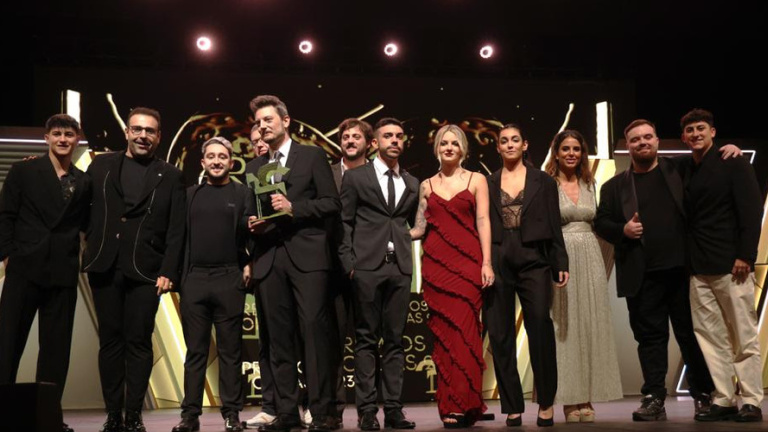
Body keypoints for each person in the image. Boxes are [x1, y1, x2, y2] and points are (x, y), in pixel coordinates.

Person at [593, 119, 716, 422]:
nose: (642, 142)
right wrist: (623, 229)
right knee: (650, 339)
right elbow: (601, 222)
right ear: (628, 146)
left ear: (657, 140)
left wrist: (729, 150)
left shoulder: (680, 169)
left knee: (692, 336)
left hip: (683, 271)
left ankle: (703, 395)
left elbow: (709, 165)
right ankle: (654, 398)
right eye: (635, 139)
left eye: (648, 136)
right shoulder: (614, 186)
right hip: (641, 274)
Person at [83, 107, 186, 432]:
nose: (143, 135)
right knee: (110, 342)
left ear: (159, 136)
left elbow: (177, 229)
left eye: (150, 131)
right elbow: (79, 202)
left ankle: (134, 415)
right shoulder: (101, 165)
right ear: (127, 132)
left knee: (139, 342)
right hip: (105, 263)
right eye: (137, 129)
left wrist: (169, 270)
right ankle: (114, 415)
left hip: (147, 270)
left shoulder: (170, 175)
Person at [246, 95, 341, 432]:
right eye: (258, 122)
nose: (262, 126)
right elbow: (252, 210)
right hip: (269, 258)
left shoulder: (311, 156)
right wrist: (251, 223)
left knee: (314, 334)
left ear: (286, 121)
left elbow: (331, 203)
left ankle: (322, 411)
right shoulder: (255, 167)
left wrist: (294, 208)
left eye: (268, 120)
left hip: (308, 257)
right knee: (278, 338)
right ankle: (286, 413)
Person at [0, 114, 91, 432]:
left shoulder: (84, 181)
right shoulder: (24, 170)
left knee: (56, 350)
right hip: (24, 268)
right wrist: (7, 254)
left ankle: (48, 417)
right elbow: (6, 214)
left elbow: (86, 224)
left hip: (62, 272)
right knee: (8, 344)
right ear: (47, 138)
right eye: (57, 133)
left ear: (77, 139)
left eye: (69, 134)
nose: (63, 139)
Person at [678, 109, 763, 422]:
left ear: (712, 132)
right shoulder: (685, 168)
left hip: (732, 265)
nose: (696, 134)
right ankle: (725, 398)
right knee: (710, 337)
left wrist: (746, 255)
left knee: (743, 335)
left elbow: (751, 211)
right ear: (684, 137)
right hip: (698, 268)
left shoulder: (733, 161)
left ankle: (752, 400)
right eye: (690, 130)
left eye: (701, 128)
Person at [483, 123, 568, 427]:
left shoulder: (543, 181)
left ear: (524, 145)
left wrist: (560, 260)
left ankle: (545, 401)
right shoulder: (488, 182)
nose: (509, 145)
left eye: (514, 140)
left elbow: (554, 222)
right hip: (498, 257)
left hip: (534, 258)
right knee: (500, 332)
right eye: (504, 141)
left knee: (540, 327)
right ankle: (512, 405)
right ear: (498, 147)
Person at [409, 124, 493, 428]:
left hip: (468, 265)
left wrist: (487, 263)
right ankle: (450, 405)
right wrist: (385, 233)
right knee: (444, 339)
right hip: (436, 268)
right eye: (443, 143)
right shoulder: (426, 185)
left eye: (454, 144)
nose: (449, 147)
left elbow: (483, 221)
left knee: (465, 335)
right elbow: (419, 228)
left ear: (463, 150)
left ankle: (466, 402)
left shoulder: (477, 180)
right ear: (437, 149)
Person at [339, 117, 419, 431]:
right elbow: (345, 222)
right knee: (366, 340)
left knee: (396, 340)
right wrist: (348, 262)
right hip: (366, 267)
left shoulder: (411, 182)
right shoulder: (356, 177)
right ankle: (367, 411)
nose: (394, 140)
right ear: (375, 142)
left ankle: (395, 410)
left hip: (399, 267)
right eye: (388, 136)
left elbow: (413, 223)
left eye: (399, 136)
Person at [172, 137, 257, 432]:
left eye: (222, 156)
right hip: (194, 279)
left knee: (231, 352)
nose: (217, 161)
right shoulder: (189, 195)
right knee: (195, 352)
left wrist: (250, 262)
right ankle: (190, 415)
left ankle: (232, 414)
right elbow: (177, 237)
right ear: (203, 162)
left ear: (231, 162)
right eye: (211, 156)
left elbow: (252, 233)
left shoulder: (243, 193)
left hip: (229, 277)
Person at [543, 130, 623, 423]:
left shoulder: (590, 182)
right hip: (561, 255)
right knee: (565, 326)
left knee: (590, 324)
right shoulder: (547, 184)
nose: (571, 153)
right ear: (556, 152)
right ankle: (569, 397)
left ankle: (587, 395)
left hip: (591, 255)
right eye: (565, 148)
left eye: (576, 149)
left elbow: (598, 221)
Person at [328, 118, 374, 426]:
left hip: (369, 268)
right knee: (332, 342)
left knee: (366, 341)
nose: (350, 140)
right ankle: (332, 410)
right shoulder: (327, 173)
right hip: (331, 269)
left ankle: (367, 410)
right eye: (345, 136)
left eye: (356, 136)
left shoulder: (378, 174)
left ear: (369, 143)